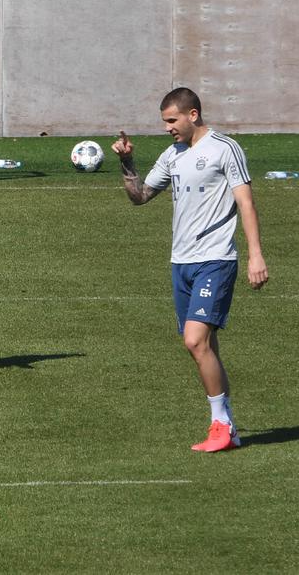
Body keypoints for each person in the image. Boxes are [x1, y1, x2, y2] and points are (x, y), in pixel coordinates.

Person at [112, 88, 268, 452]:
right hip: (180, 262)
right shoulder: (173, 154)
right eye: (164, 122)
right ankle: (227, 427)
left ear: (192, 115)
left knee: (195, 340)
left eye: (172, 120)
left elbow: (246, 202)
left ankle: (221, 425)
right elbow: (140, 196)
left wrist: (256, 256)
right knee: (205, 346)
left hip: (215, 259)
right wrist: (127, 162)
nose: (167, 128)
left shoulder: (224, 149)